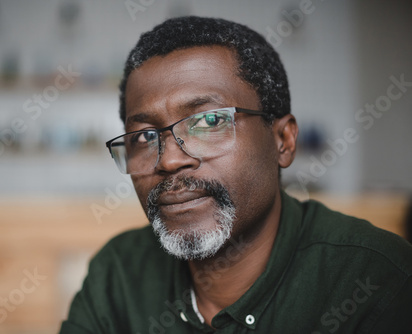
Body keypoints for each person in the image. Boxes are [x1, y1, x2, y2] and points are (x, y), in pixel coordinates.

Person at [59, 16, 412, 334]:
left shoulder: (378, 280)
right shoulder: (118, 273)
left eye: (209, 121)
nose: (168, 160)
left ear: (283, 140)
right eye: (144, 137)